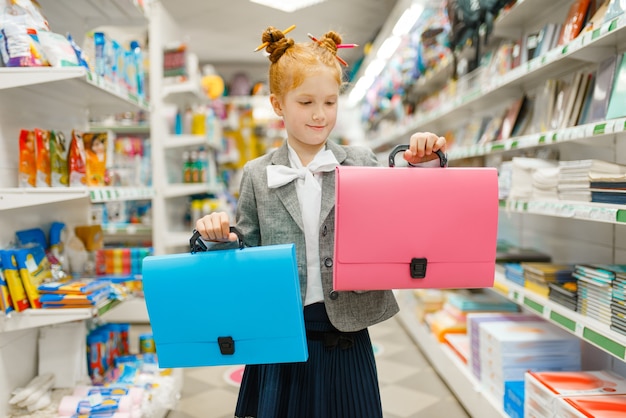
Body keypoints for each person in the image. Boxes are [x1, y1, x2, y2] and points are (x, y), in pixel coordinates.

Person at [195, 26, 447, 418]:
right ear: (278, 104)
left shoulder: (360, 161)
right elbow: (244, 246)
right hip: (280, 336)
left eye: (330, 102)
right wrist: (219, 235)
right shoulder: (258, 174)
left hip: (347, 335)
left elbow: (402, 209)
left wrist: (421, 160)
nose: (319, 114)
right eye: (306, 101)